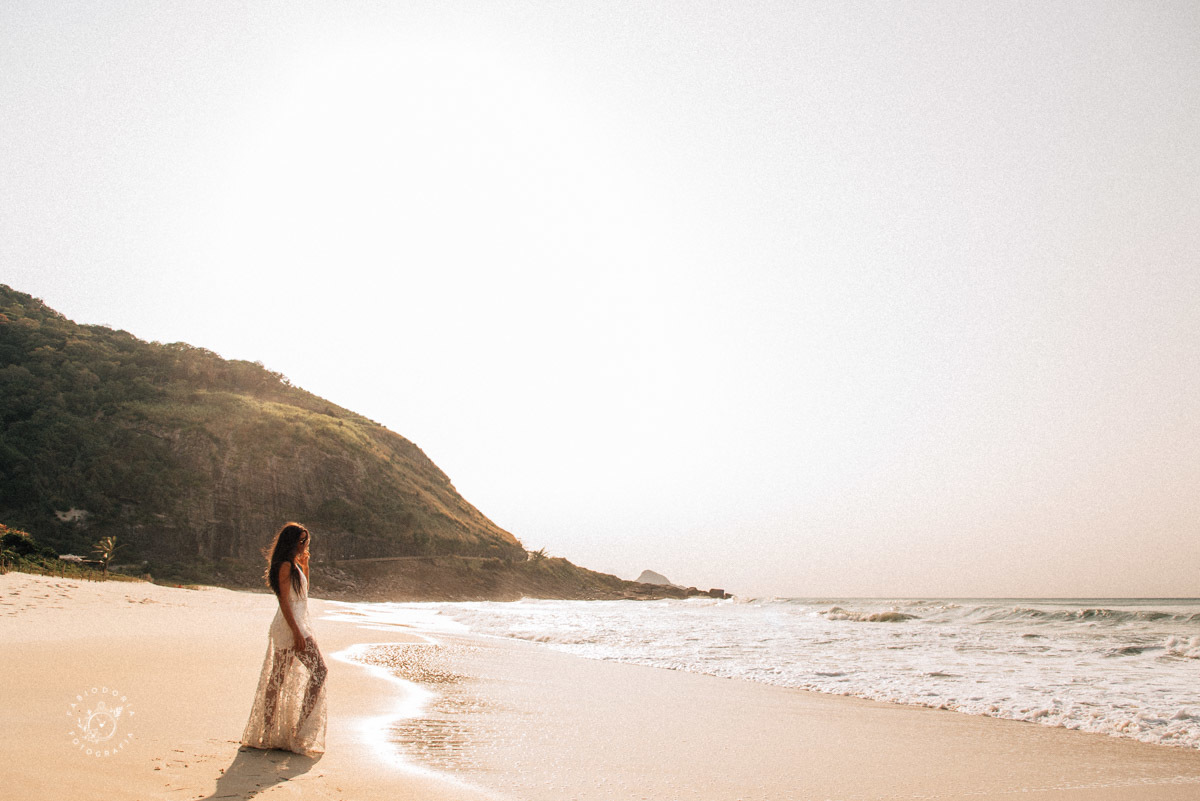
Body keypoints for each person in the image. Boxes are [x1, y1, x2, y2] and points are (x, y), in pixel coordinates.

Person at [240, 522, 327, 756]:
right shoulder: (284, 566)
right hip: (291, 626)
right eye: (301, 541)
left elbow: (301, 595)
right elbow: (284, 602)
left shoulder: (294, 566)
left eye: (306, 541)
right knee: (318, 672)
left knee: (279, 678)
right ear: (290, 542)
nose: (304, 545)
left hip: (297, 625)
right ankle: (293, 730)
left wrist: (306, 566)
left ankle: (271, 731)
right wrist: (296, 633)